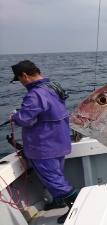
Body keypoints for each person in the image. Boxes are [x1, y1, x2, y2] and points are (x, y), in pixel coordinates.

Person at [9, 60, 77, 224]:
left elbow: (26, 118)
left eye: (19, 79)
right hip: (59, 142)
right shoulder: (53, 87)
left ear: (24, 76)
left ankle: (76, 207)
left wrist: (15, 117)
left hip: (43, 146)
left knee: (54, 180)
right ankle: (58, 201)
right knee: (56, 175)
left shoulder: (35, 94)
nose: (21, 83)